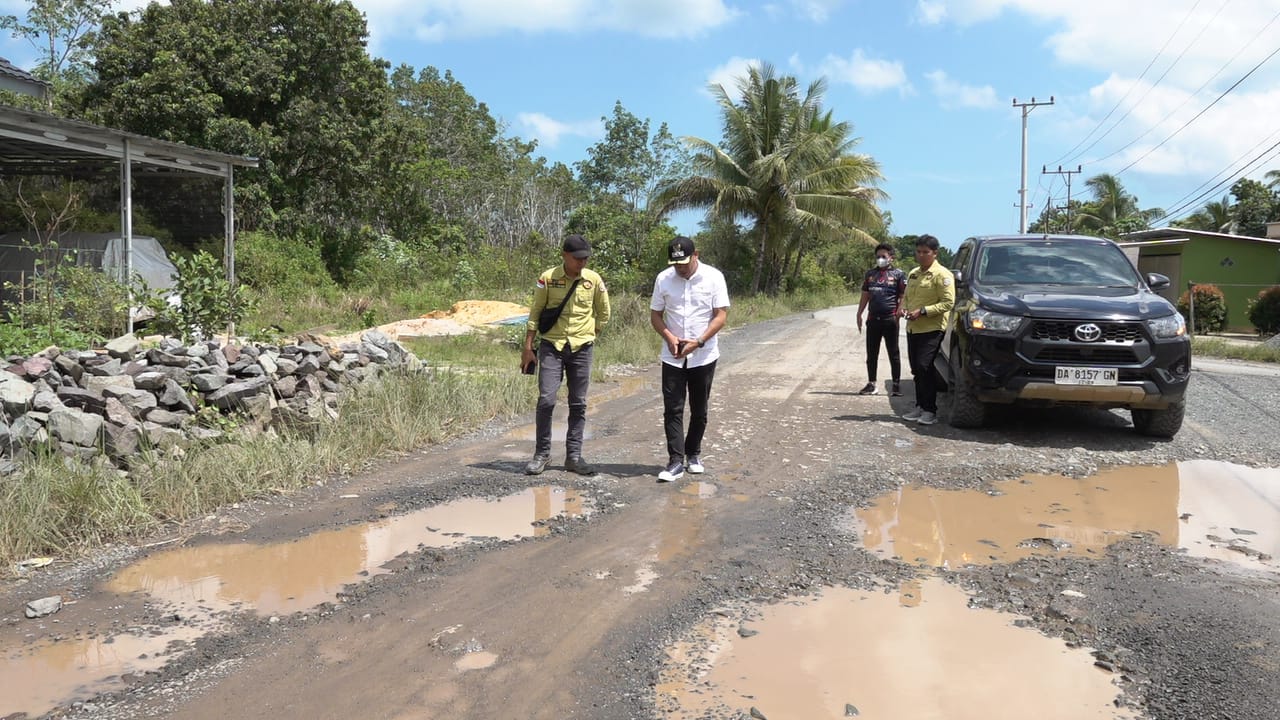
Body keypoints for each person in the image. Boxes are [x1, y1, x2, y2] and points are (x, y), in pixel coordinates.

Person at [521, 234, 611, 475]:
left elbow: (604, 312)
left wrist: (591, 334)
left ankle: (574, 456)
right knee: (546, 400)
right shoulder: (548, 278)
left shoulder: (593, 280)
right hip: (552, 346)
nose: (582, 262)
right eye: (577, 258)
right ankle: (542, 454)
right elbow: (535, 313)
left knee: (578, 403)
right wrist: (528, 347)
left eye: (585, 258)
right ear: (564, 256)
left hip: (582, 348)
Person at [649, 236, 730, 482]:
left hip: (703, 354)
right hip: (672, 355)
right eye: (675, 264)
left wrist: (699, 341)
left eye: (684, 262)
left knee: (699, 409)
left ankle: (693, 454)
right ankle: (675, 461)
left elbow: (720, 316)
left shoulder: (714, 277)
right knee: (672, 408)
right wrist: (669, 337)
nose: (680, 268)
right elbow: (655, 315)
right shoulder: (663, 279)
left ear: (696, 255)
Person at [900, 234, 954, 426]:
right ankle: (920, 406)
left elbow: (948, 302)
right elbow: (907, 296)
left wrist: (923, 311)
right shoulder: (914, 273)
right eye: (918, 251)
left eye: (925, 252)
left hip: (932, 328)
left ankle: (930, 410)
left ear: (935, 253)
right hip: (913, 328)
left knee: (925, 367)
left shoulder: (942, 275)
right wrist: (904, 309)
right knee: (916, 369)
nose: (921, 255)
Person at [855, 243, 907, 396]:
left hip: (890, 319)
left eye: (883, 256)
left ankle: (896, 385)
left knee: (893, 353)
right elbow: (865, 295)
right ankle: (872, 384)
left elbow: (903, 296)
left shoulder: (898, 275)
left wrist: (899, 312)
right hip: (873, 319)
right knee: (872, 354)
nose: (880, 259)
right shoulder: (870, 274)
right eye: (878, 256)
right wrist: (859, 313)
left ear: (891, 258)